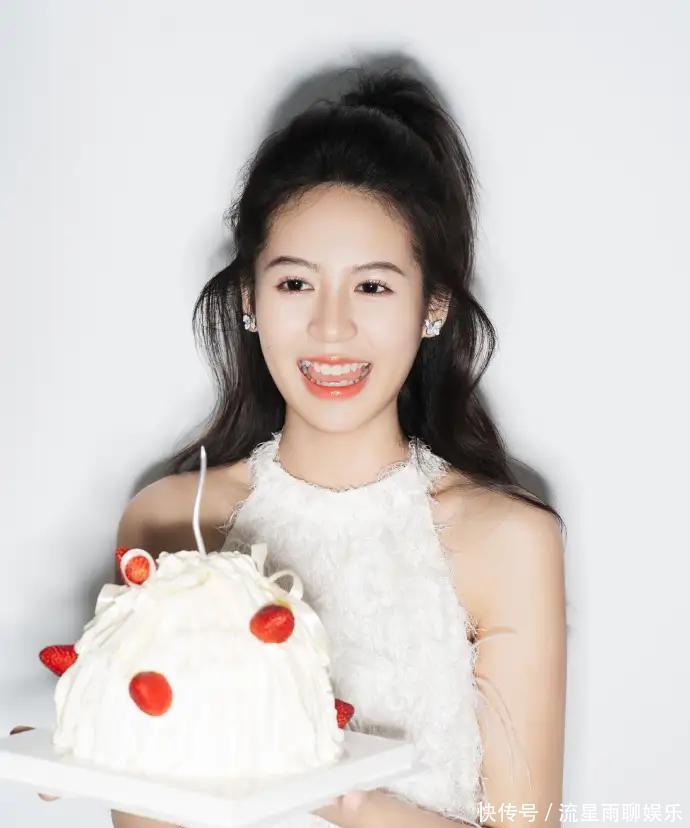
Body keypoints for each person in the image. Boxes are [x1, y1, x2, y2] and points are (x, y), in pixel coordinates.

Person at [15, 65, 567, 828]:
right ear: (249, 296)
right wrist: (97, 736)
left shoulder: (506, 540)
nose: (331, 328)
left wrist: (331, 785)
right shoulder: (173, 521)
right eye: (295, 284)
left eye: (372, 287)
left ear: (433, 305)